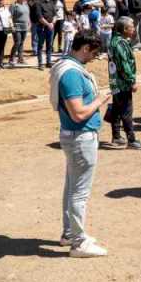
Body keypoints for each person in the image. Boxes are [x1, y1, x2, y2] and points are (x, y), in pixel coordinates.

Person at [49, 29, 111, 258]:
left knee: (72, 188)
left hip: (74, 136)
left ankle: (69, 233)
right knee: (79, 193)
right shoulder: (72, 74)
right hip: (80, 136)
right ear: (85, 48)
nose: (93, 58)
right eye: (93, 53)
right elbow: (78, 113)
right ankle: (78, 242)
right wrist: (99, 100)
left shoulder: (64, 67)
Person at [105, 17, 141, 150]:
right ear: (124, 29)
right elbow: (123, 64)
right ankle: (131, 139)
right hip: (122, 83)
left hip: (115, 82)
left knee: (117, 108)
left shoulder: (114, 41)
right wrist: (131, 80)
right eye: (132, 27)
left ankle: (116, 136)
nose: (134, 29)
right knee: (126, 111)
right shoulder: (119, 43)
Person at [33, 0, 57, 69]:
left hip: (50, 27)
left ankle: (48, 62)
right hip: (42, 27)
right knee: (40, 45)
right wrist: (48, 24)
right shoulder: (38, 3)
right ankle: (40, 63)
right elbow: (40, 17)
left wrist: (52, 23)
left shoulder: (51, 2)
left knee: (49, 45)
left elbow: (55, 15)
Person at [9, 0, 31, 65]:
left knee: (21, 43)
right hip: (16, 27)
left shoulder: (26, 5)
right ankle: (11, 58)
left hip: (24, 27)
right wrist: (11, 26)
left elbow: (27, 15)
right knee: (17, 42)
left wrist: (29, 23)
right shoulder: (14, 5)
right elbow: (10, 17)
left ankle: (20, 58)